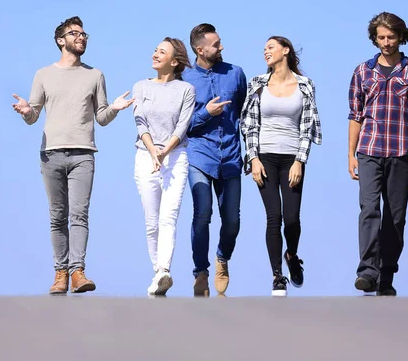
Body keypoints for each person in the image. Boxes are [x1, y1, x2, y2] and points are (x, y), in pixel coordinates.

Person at [12, 16, 134, 295]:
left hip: (83, 154)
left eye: (84, 33)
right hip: (51, 154)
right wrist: (25, 111)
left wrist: (114, 107)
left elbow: (101, 117)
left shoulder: (95, 75)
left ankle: (78, 272)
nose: (81, 37)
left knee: (79, 215)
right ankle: (60, 274)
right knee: (57, 216)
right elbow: (33, 116)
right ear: (60, 40)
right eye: (74, 33)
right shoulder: (43, 74)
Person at [348, 12, 408, 296]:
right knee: (369, 210)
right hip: (369, 149)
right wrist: (351, 154)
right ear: (374, 38)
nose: (385, 43)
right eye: (381, 37)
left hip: (401, 150)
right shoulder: (362, 71)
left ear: (401, 38)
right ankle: (367, 272)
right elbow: (355, 115)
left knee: (395, 217)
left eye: (391, 37)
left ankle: (386, 274)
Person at [240, 36, 322, 297]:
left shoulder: (305, 86)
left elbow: (307, 126)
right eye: (264, 48)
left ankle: (292, 255)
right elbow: (248, 125)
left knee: (292, 218)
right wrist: (253, 158)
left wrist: (300, 160)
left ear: (285, 50)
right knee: (273, 216)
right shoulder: (257, 84)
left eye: (271, 47)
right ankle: (277, 276)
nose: (266, 51)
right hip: (264, 156)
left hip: (291, 158)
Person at [182, 23, 247, 297]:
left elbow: (244, 113)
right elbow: (180, 125)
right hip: (199, 155)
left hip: (231, 156)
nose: (221, 47)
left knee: (232, 220)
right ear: (200, 49)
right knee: (202, 214)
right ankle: (201, 272)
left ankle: (222, 258)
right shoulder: (184, 79)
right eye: (216, 44)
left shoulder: (235, 73)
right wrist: (206, 113)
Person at [132, 37, 195, 296]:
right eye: (156, 50)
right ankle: (157, 272)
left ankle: (164, 271)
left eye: (162, 52)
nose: (155, 54)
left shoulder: (186, 90)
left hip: (176, 156)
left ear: (175, 61)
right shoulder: (141, 86)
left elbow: (183, 125)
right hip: (145, 156)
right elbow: (140, 122)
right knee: (152, 221)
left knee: (169, 216)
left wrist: (165, 150)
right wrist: (153, 151)